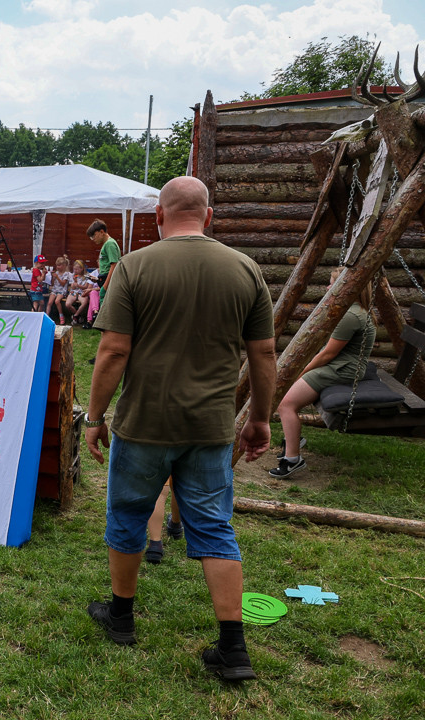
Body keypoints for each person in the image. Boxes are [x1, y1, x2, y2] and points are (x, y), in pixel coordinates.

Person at [84, 176, 276, 682]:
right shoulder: (245, 269)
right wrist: (258, 418)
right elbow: (263, 353)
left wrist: (95, 416)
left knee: (127, 516)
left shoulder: (133, 266)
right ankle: (233, 649)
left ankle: (121, 618)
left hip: (143, 425)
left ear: (158, 217)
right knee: (214, 527)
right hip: (210, 428)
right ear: (208, 216)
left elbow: (113, 351)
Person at [272, 268, 376, 478]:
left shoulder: (350, 315)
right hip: (341, 365)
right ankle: (293, 438)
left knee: (286, 403)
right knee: (288, 397)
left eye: (332, 284)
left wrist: (302, 371)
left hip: (342, 369)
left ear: (346, 287)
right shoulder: (353, 310)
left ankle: (293, 460)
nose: (328, 288)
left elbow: (328, 354)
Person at [89, 220, 121, 305]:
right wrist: (97, 280)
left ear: (102, 232)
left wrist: (105, 287)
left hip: (109, 283)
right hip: (104, 280)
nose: (93, 239)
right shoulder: (106, 244)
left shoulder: (110, 244)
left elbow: (114, 265)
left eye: (94, 235)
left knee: (106, 311)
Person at [46, 256, 72, 325]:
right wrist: (52, 278)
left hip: (62, 290)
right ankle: (46, 317)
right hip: (55, 290)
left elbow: (63, 284)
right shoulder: (56, 273)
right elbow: (52, 284)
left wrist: (57, 277)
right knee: (49, 303)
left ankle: (61, 316)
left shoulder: (66, 274)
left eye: (59, 265)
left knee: (57, 301)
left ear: (64, 266)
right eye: (57, 265)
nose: (57, 267)